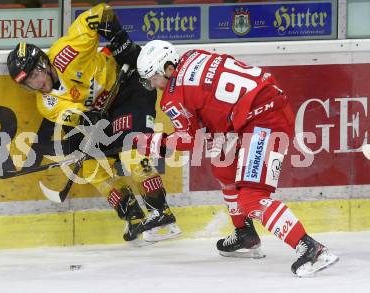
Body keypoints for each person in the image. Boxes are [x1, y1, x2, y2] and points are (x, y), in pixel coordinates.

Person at [135, 40, 339, 276]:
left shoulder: (172, 97)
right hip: (256, 111)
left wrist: (153, 143)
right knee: (223, 166)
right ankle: (244, 233)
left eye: (154, 78)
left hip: (263, 121)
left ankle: (311, 249)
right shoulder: (194, 55)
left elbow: (191, 140)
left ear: (169, 68)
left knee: (252, 199)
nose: (153, 85)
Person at [6, 4, 181, 243]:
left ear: (43, 64)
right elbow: (78, 118)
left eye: (35, 75)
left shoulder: (67, 52)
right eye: (28, 83)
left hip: (129, 87)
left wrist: (120, 41)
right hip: (104, 111)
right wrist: (86, 120)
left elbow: (101, 12)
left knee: (133, 148)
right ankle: (133, 214)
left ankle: (162, 213)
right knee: (90, 166)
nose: (36, 85)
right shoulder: (45, 103)